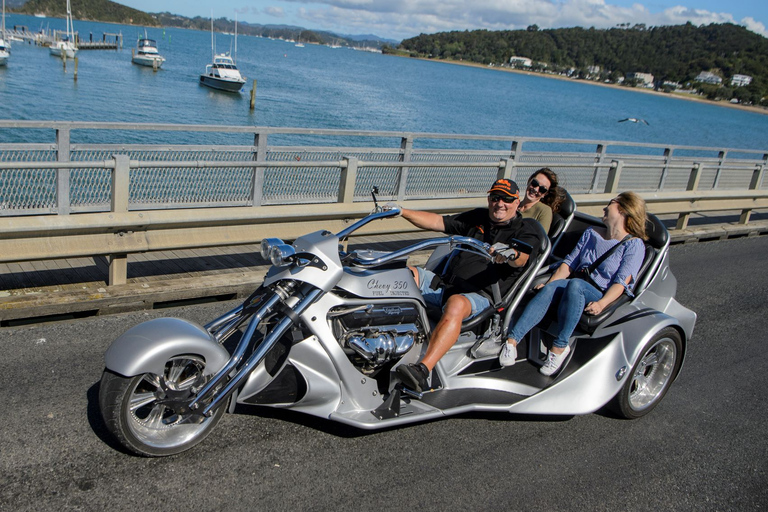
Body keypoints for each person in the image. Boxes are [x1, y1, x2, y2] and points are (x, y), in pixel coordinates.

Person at [394, 179, 547, 392]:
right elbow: (439, 221)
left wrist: (510, 253)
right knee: (400, 274)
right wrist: (401, 211)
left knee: (456, 303)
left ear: (516, 201)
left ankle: (422, 371)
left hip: (480, 296)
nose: (500, 203)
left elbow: (522, 257)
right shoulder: (478, 218)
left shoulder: (526, 229)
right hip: (444, 284)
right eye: (495, 198)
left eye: (506, 199)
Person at [499, 191, 648, 375]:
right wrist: (550, 284)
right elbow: (569, 263)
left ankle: (560, 347)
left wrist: (602, 303)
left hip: (599, 292)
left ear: (624, 210)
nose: (604, 207)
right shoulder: (591, 233)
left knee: (575, 285)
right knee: (551, 287)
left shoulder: (634, 245)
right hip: (576, 283)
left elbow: (621, 283)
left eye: (610, 203)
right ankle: (512, 341)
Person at [517, 168, 563, 233]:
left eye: (542, 189)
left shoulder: (544, 211)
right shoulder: (514, 204)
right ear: (529, 181)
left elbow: (539, 239)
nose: (536, 189)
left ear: (545, 194)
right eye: (534, 183)